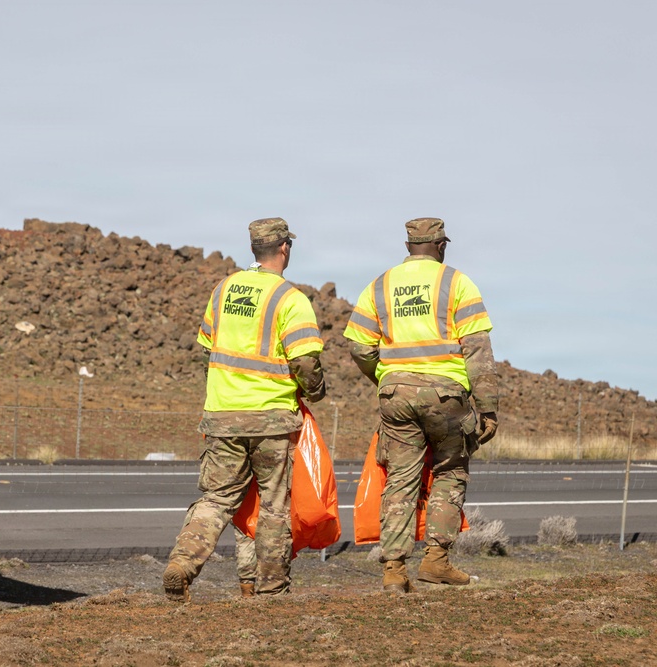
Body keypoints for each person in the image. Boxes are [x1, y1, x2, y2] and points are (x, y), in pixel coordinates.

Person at [163, 217, 327, 601]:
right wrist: (315, 390)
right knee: (273, 505)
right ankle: (271, 586)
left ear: (255, 248)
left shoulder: (223, 289)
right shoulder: (291, 298)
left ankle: (182, 564)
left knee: (217, 500)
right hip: (271, 419)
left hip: (221, 415)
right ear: (284, 248)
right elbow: (305, 362)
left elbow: (207, 345)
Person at [343, 218, 499, 593]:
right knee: (449, 471)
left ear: (409, 245)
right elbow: (477, 351)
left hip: (395, 395)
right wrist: (488, 406)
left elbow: (358, 346)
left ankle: (394, 570)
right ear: (441, 246)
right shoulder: (457, 283)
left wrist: (385, 377)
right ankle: (436, 562)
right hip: (446, 396)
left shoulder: (380, 285)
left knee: (400, 479)